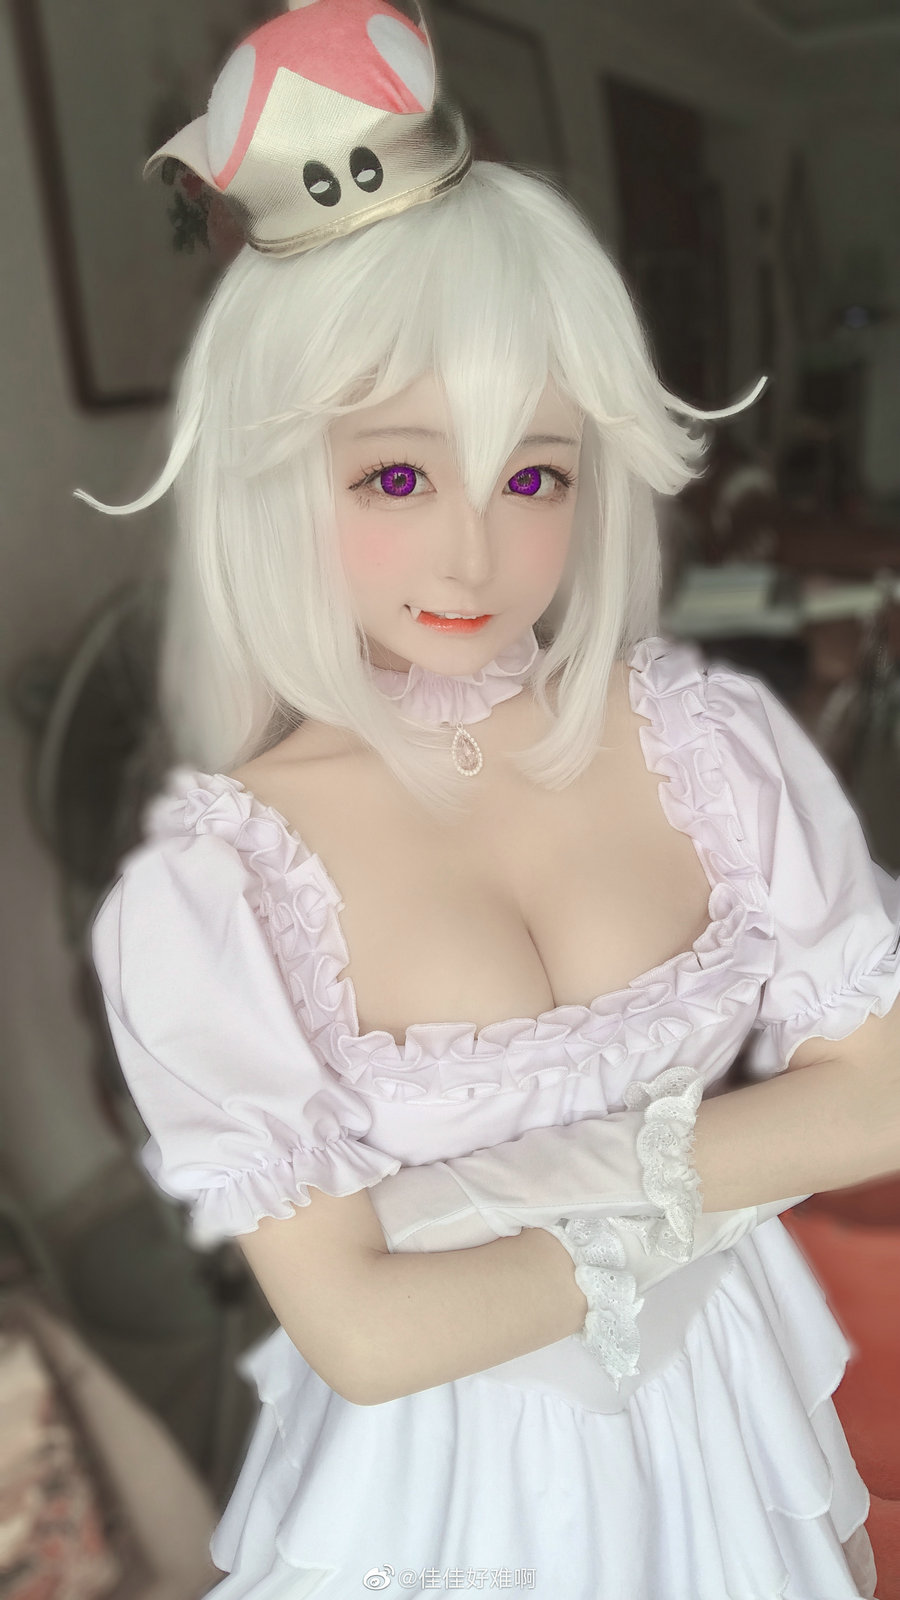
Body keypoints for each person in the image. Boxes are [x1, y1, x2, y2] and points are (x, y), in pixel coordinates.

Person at [79, 4, 900, 1596]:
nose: (475, 552)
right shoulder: (219, 890)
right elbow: (368, 1335)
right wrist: (717, 1164)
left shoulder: (703, 743)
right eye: (396, 476)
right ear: (278, 476)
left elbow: (881, 1095)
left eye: (534, 475)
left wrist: (496, 1203)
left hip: (728, 1415)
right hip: (453, 1500)